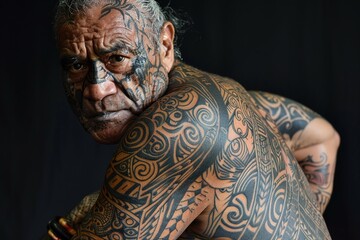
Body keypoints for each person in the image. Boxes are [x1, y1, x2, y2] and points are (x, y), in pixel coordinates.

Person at [45, 0, 340, 239]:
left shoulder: (171, 130)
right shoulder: (221, 96)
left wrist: (67, 225)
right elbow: (320, 137)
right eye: (76, 64)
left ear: (165, 46)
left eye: (117, 59)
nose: (97, 89)